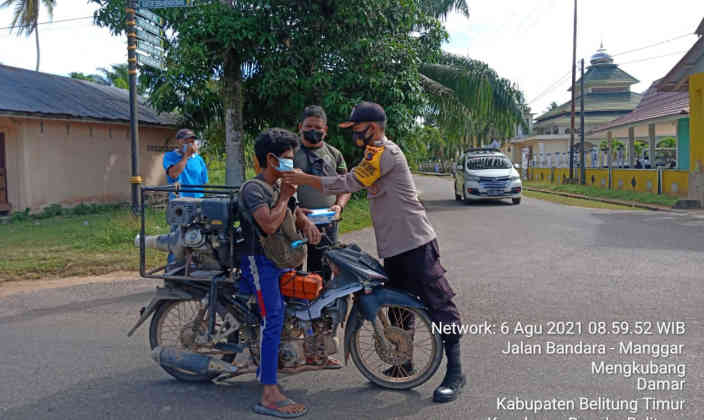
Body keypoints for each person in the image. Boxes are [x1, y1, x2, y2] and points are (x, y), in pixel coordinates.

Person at [282, 102, 465, 403]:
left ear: (373, 127)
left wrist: (306, 180)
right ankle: (402, 364)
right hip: (394, 249)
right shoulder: (373, 153)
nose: (354, 133)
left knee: (439, 304)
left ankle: (455, 372)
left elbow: (349, 182)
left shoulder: (386, 153)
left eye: (357, 128)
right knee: (397, 309)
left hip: (416, 243)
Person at [239, 128, 322, 418]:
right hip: (258, 262)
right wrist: (286, 195)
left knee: (293, 307)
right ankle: (268, 393)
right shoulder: (254, 188)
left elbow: (294, 212)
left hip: (280, 259)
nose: (291, 163)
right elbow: (270, 224)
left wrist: (306, 224)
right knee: (272, 317)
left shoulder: (280, 186)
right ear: (271, 159)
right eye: (287, 159)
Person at [293, 105, 350, 279]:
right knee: (293, 269)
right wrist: (295, 211)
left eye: (318, 128)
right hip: (295, 221)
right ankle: (297, 304)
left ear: (325, 130)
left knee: (322, 270)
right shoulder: (289, 152)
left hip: (327, 222)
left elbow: (346, 186)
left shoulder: (334, 154)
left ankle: (321, 304)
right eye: (309, 126)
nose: (313, 130)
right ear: (300, 127)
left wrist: (339, 206)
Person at [162, 128, 209, 265]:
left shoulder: (199, 160)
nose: (190, 143)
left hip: (198, 203)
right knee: (177, 238)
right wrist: (186, 157)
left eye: (192, 140)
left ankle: (195, 266)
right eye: (186, 140)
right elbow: (173, 174)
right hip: (180, 205)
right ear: (179, 142)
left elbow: (203, 181)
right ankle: (173, 268)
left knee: (198, 237)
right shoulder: (170, 157)